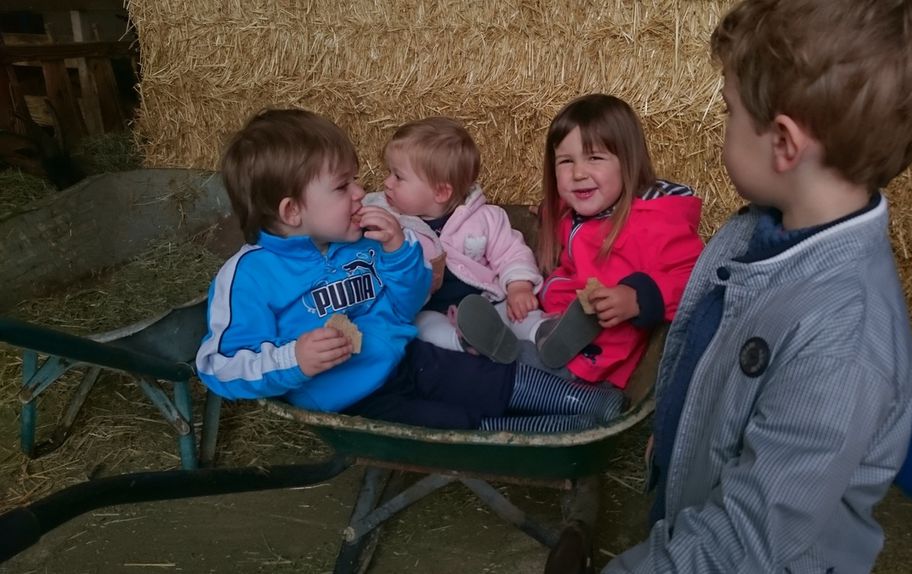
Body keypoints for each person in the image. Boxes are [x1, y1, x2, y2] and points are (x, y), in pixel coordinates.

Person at [603, 0, 912, 572]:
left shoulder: (843, 340)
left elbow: (746, 542)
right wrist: (678, 436)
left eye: (729, 110)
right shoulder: (758, 231)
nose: (722, 121)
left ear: (784, 142)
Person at [195, 108, 624, 432]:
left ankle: (587, 402)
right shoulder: (249, 276)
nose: (363, 191)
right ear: (292, 211)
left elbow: (405, 307)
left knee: (492, 381)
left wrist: (399, 252)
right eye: (344, 186)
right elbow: (218, 366)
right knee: (461, 423)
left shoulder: (358, 245)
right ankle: (565, 430)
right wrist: (295, 358)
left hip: (407, 357)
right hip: (355, 400)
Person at [463, 94, 704, 390]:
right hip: (553, 318)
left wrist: (639, 298)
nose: (578, 173)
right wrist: (545, 211)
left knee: (502, 368)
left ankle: (510, 364)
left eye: (595, 158)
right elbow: (570, 218)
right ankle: (520, 342)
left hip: (597, 350)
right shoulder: (579, 211)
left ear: (628, 161)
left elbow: (695, 282)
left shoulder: (655, 224)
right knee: (508, 314)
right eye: (566, 161)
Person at [362, 116, 545, 363]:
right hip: (429, 309)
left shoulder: (485, 217)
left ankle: (543, 334)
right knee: (425, 331)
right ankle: (467, 345)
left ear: (440, 192)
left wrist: (519, 287)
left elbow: (511, 252)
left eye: (398, 176)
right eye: (389, 172)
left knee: (519, 313)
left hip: (487, 302)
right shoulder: (389, 222)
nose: (386, 182)